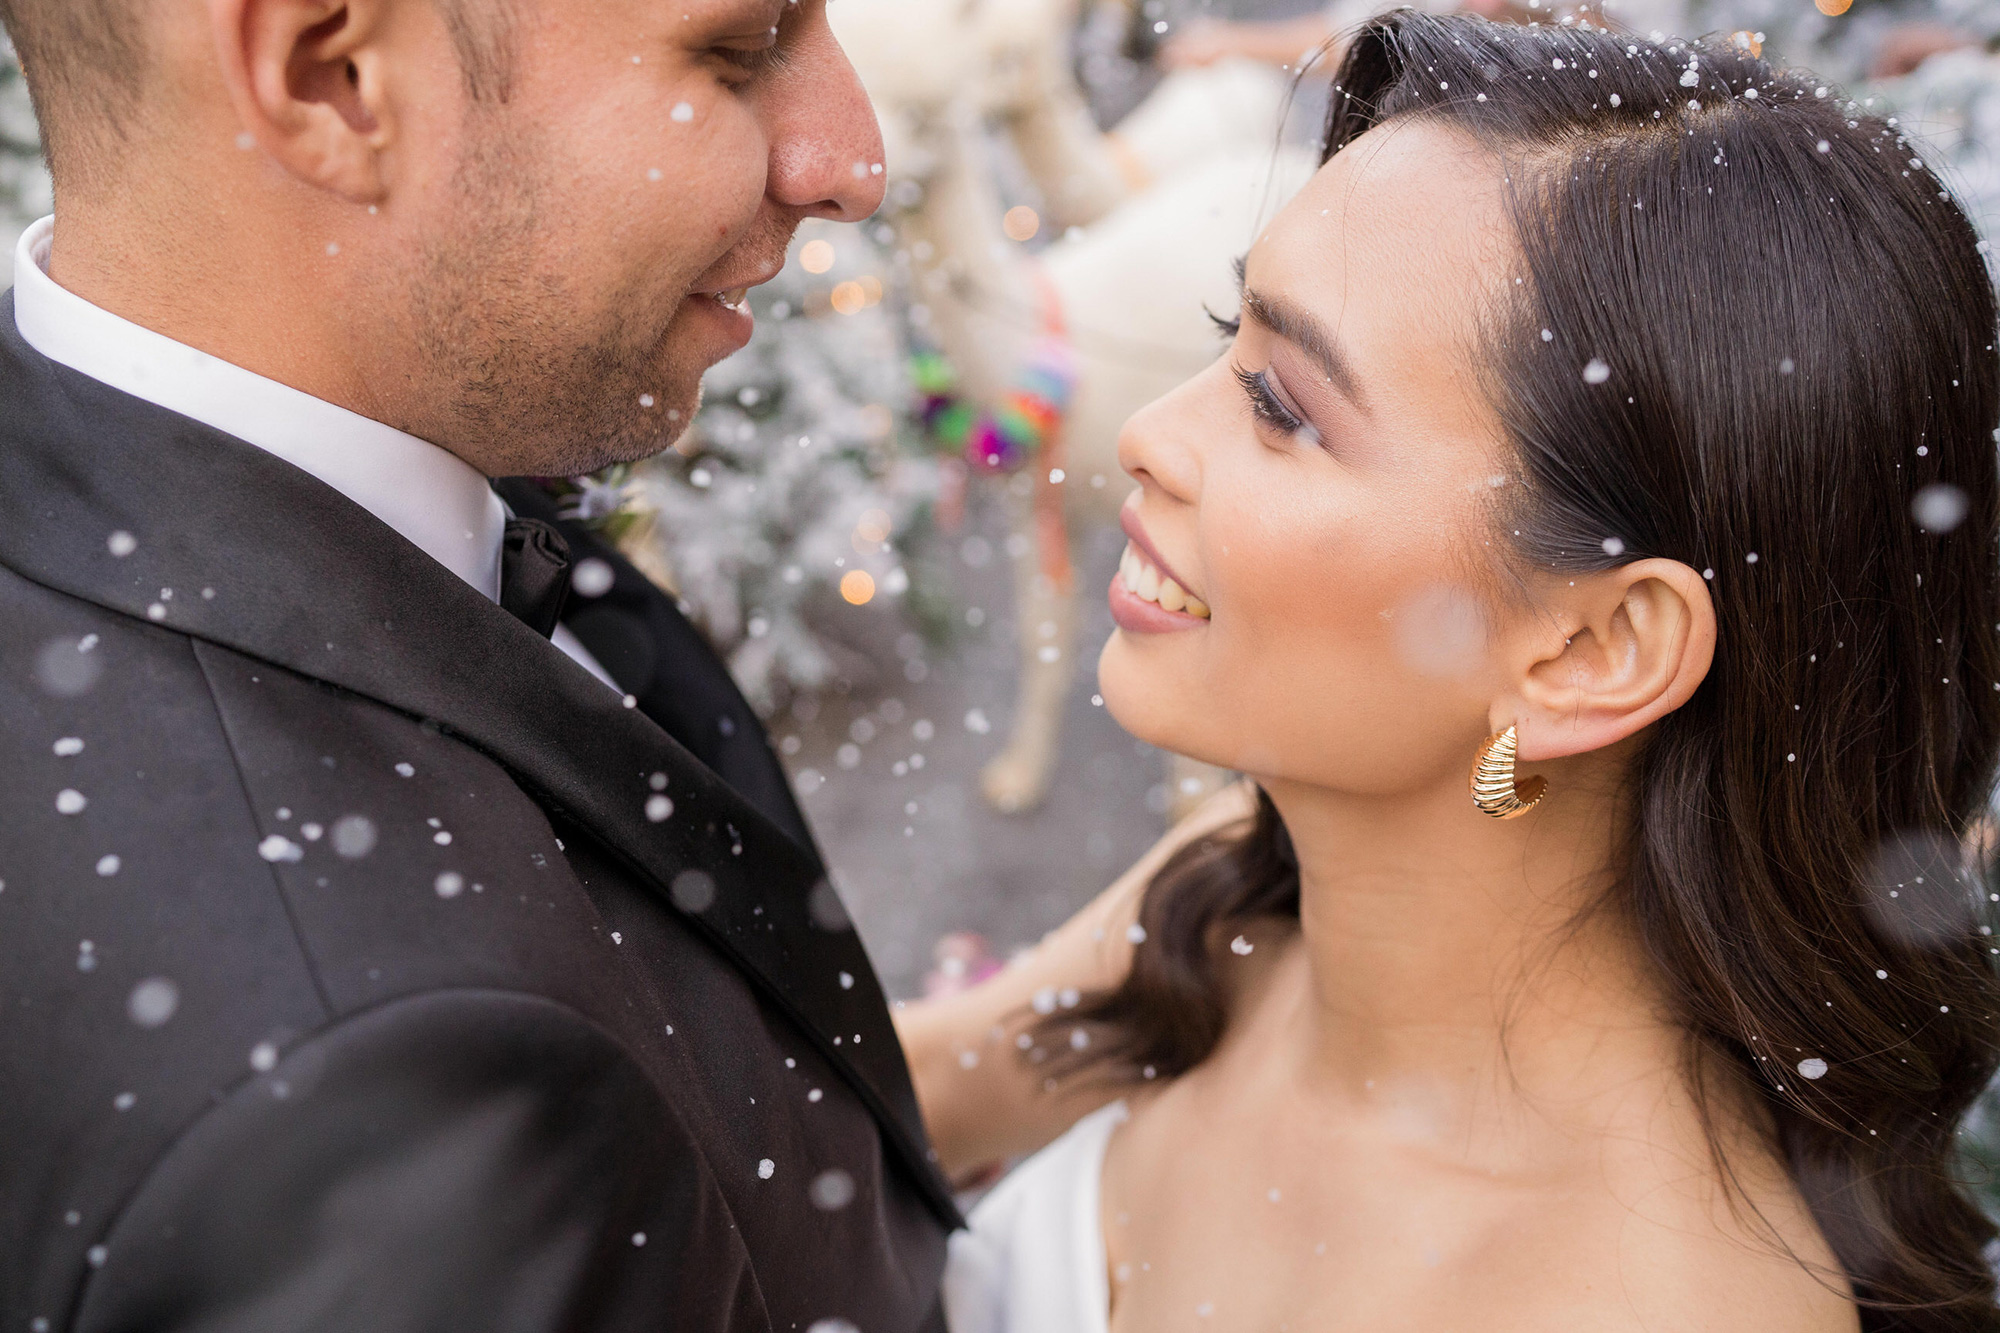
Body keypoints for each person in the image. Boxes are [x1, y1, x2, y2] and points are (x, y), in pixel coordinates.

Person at [903, 12, 2000, 1332]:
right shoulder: (1225, 914)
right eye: (1224, 334)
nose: (1148, 433)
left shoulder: (1667, 1306)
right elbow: (799, 1113)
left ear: (1593, 649)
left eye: (1284, 408)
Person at [0, 2, 959, 1330]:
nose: (850, 160)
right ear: (331, 75)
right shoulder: (391, 1106)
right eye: (737, 52)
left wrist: (1031, 1039)